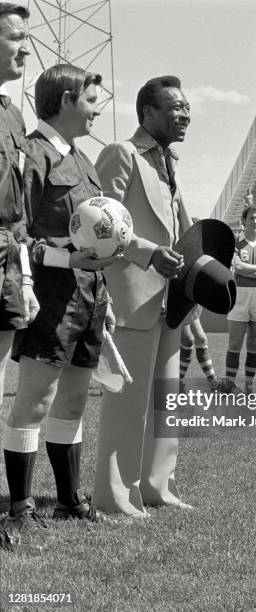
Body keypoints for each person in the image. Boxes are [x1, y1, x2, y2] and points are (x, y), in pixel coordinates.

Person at [2, 64, 117, 536]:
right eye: (91, 101)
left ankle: (70, 500)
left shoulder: (85, 161)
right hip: (47, 296)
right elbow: (16, 236)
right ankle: (21, 507)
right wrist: (66, 261)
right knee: (35, 397)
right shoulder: (31, 155)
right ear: (67, 99)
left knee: (73, 398)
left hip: (90, 296)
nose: (96, 110)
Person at [93, 75, 193, 516]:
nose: (185, 113)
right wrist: (148, 254)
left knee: (165, 399)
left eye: (187, 106)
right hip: (132, 297)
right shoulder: (122, 154)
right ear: (147, 113)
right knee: (128, 405)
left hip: (171, 302)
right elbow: (99, 222)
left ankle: (157, 487)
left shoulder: (170, 163)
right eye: (174, 106)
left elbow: (183, 233)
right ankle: (116, 497)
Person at [0, 3, 39, 404]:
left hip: (8, 253)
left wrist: (25, 279)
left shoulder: (14, 117)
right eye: (16, 38)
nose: (25, 50)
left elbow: (18, 211)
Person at [223, 205, 256, 394]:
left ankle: (249, 386)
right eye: (252, 218)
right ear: (243, 221)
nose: (255, 222)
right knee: (235, 344)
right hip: (240, 295)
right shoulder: (234, 244)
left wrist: (248, 270)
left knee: (254, 344)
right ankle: (229, 383)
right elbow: (237, 266)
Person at [179, 307, 219, 391]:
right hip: (181, 305)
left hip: (192, 306)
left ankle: (213, 381)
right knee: (188, 340)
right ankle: (177, 382)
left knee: (201, 340)